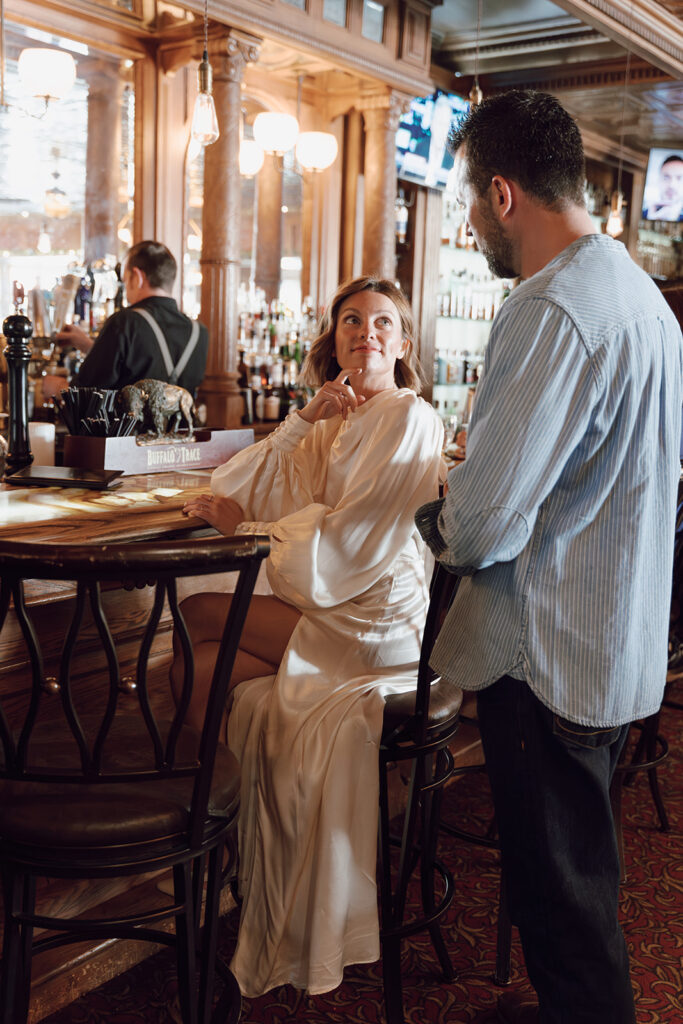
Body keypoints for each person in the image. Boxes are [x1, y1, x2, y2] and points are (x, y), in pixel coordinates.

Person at [415, 90, 683, 1024]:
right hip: (609, 638)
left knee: (564, 917)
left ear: (500, 194)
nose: (469, 227)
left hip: (547, 651)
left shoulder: (550, 307)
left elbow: (484, 525)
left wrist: (444, 508)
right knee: (578, 891)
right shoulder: (640, 295)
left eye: (463, 203)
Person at [176, 276, 444, 998]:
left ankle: (199, 836)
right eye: (351, 321)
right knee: (202, 664)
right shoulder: (335, 418)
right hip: (334, 609)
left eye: (383, 323)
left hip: (375, 625)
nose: (367, 333)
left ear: (403, 342)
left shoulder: (410, 418)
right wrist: (305, 416)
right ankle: (216, 852)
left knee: (201, 618)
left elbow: (349, 540)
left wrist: (248, 531)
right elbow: (233, 483)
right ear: (333, 341)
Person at [56, 241, 208, 394]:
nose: (126, 291)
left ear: (137, 277)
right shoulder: (199, 332)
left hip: (129, 418)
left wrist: (58, 387)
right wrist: (90, 347)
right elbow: (146, 362)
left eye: (125, 280)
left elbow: (86, 394)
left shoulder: (124, 323)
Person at [642, 153, 683, 221]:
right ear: (658, 180)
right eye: (666, 177)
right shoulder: (644, 214)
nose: (672, 185)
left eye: (679, 178)